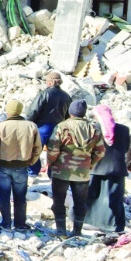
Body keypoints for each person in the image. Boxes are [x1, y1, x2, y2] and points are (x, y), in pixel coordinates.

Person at [48, 100, 106, 237]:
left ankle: (61, 231)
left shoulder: (62, 127)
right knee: (80, 202)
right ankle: (77, 231)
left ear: (70, 112)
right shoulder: (94, 129)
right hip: (83, 172)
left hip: (61, 171)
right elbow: (100, 152)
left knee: (59, 202)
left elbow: (53, 150)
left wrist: (51, 163)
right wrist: (90, 164)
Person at [0, 100, 42, 231]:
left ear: (8, 111)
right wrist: (31, 161)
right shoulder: (31, 126)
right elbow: (38, 148)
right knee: (20, 196)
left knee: (4, 195)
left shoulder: (0, 127)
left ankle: (6, 223)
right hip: (22, 166)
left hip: (3, 166)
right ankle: (20, 224)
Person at [25, 72, 72, 177]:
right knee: (55, 153)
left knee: (34, 150)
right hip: (59, 128)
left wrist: (29, 122)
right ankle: (53, 174)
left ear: (50, 82)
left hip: (43, 127)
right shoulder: (66, 96)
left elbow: (34, 110)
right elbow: (68, 115)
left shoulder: (44, 94)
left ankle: (33, 172)